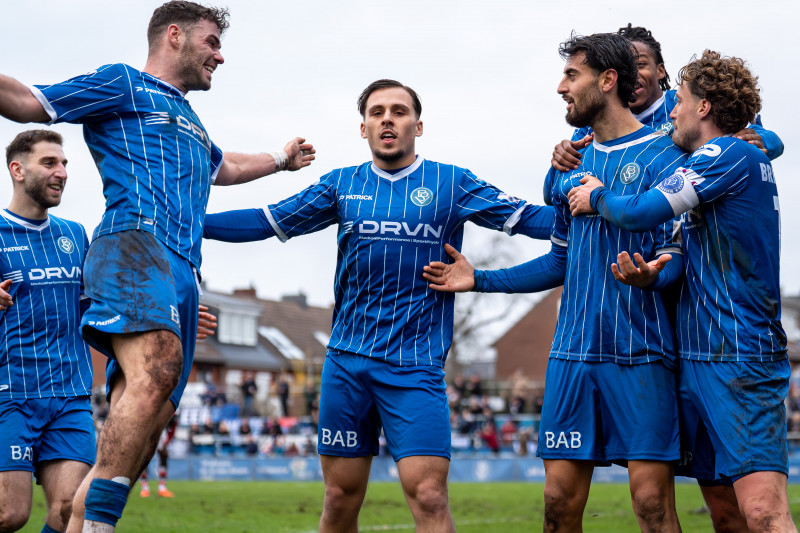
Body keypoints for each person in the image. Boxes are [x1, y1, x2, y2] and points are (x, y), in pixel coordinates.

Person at [0, 2, 314, 531]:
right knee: (158, 370)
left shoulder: (192, 122)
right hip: (134, 243)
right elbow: (29, 101)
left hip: (183, 271)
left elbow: (228, 167)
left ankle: (81, 521)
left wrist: (280, 161)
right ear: (174, 35)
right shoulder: (122, 83)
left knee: (155, 418)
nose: (220, 56)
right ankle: (99, 525)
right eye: (212, 42)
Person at [202, 78, 554, 532]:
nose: (388, 119)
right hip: (346, 365)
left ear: (418, 126)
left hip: (415, 367)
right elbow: (264, 221)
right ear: (363, 128)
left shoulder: (452, 183)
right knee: (339, 499)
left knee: (430, 496)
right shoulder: (340, 185)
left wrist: (589, 204)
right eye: (377, 112)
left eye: (399, 111)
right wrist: (191, 221)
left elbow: (533, 219)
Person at [423, 33, 687, 532]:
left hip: (641, 355)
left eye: (571, 75)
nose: (561, 87)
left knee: (652, 505)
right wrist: (479, 280)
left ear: (607, 80)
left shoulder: (667, 156)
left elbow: (677, 253)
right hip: (570, 357)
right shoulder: (571, 164)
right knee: (557, 504)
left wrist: (653, 278)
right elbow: (559, 262)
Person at [567, 50, 795, 533]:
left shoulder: (724, 154)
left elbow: (640, 212)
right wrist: (655, 273)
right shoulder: (718, 162)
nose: (671, 110)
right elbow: (682, 247)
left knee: (763, 512)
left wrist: (597, 196)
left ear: (704, 107)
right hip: (699, 356)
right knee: (727, 513)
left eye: (681, 101)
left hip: (738, 354)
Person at [544, 24, 783, 203]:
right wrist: (559, 162)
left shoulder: (683, 105)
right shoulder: (592, 127)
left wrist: (760, 141)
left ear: (660, 71)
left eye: (640, 64)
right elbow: (553, 196)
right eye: (627, 68)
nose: (634, 75)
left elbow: (770, 139)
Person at [0, 129, 95, 533]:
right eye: (49, 163)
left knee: (70, 511)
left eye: (64, 164)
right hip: (11, 395)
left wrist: (170, 313)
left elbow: (99, 307)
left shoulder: (75, 234)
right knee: (10, 514)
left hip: (70, 394)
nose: (62, 172)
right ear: (18, 170)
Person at [138, 412, 179, 498]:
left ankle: (162, 488)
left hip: (161, 431)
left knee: (163, 457)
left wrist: (166, 442)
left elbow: (173, 428)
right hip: (149, 430)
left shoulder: (173, 417)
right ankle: (145, 488)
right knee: (144, 458)